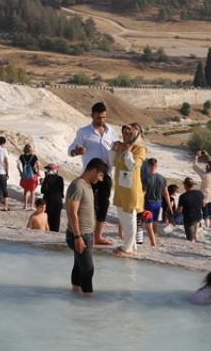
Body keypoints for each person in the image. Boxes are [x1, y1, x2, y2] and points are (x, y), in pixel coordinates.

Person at [67, 102, 119, 245]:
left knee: (104, 205)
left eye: (104, 117)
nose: (101, 120)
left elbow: (115, 148)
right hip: (90, 176)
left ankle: (98, 236)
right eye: (98, 117)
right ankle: (80, 233)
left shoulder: (111, 132)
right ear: (92, 116)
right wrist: (76, 151)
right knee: (88, 205)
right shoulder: (83, 132)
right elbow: (70, 150)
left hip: (106, 175)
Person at [65, 158, 109, 295]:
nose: (101, 179)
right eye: (100, 175)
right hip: (80, 235)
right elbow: (72, 212)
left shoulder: (87, 185)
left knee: (79, 266)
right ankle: (88, 304)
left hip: (86, 234)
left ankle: (76, 295)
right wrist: (78, 237)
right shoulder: (77, 186)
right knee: (88, 269)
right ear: (93, 171)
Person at [111, 124, 147, 256]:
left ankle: (128, 248)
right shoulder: (121, 146)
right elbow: (113, 163)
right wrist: (113, 149)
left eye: (128, 133)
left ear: (135, 134)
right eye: (124, 133)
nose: (125, 135)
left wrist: (127, 151)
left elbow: (133, 166)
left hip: (131, 188)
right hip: (120, 187)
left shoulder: (140, 149)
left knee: (130, 217)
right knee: (122, 217)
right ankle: (131, 244)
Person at [141, 158, 170, 246]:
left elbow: (143, 192)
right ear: (156, 166)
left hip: (148, 203)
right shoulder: (162, 178)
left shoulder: (146, 178)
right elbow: (166, 193)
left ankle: (153, 243)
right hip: (158, 203)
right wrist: (170, 206)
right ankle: (155, 237)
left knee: (148, 224)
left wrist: (140, 203)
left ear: (148, 166)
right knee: (154, 222)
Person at [191, 151, 211, 231]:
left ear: (207, 168)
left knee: (205, 211)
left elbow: (195, 166)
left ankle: (207, 226)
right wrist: (207, 155)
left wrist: (197, 156)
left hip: (204, 195)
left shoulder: (204, 175)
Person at [40, 163, 66, 233]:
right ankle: (55, 233)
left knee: (48, 218)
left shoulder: (47, 177)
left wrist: (43, 182)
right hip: (58, 201)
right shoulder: (60, 178)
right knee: (56, 219)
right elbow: (61, 192)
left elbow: (43, 190)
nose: (47, 170)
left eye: (48, 169)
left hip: (48, 200)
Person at [18, 145, 40, 210]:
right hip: (32, 176)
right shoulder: (34, 156)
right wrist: (38, 171)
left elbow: (18, 165)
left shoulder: (21, 156)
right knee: (32, 191)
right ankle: (32, 206)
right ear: (30, 150)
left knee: (25, 191)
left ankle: (25, 205)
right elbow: (38, 164)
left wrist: (20, 172)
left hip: (25, 176)